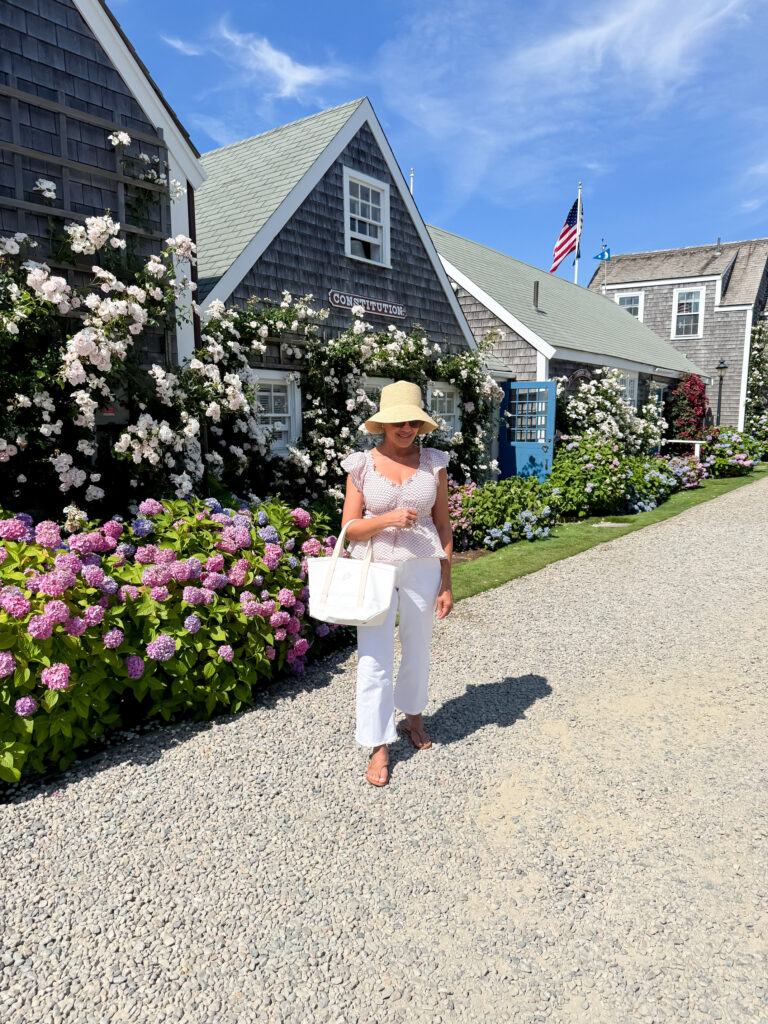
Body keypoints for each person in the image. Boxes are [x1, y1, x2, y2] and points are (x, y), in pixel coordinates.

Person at [339, 380, 454, 787]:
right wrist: (387, 519)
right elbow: (350, 529)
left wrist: (446, 581)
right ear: (383, 424)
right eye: (396, 422)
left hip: (422, 565)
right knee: (374, 657)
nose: (404, 428)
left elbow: (442, 524)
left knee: (418, 647)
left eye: (412, 422)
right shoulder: (361, 464)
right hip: (373, 567)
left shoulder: (434, 462)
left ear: (420, 425)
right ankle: (377, 742)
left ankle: (414, 716)